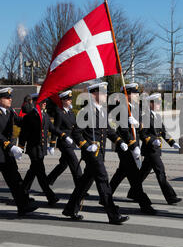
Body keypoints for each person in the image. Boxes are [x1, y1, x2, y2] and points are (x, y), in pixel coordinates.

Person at [63, 82, 129, 225]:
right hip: (92, 154)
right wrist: (86, 146)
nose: (106, 95)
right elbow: (76, 133)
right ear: (94, 94)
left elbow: (108, 131)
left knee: (85, 182)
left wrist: (119, 141)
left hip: (100, 153)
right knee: (103, 180)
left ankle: (70, 209)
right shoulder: (86, 111)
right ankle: (113, 215)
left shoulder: (102, 110)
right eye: (103, 92)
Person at [0, 88, 38, 217]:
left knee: (15, 181)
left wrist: (34, 116)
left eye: (10, 97)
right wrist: (10, 146)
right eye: (7, 97)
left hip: (7, 155)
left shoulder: (10, 111)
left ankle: (23, 206)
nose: (10, 99)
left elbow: (20, 122)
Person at [109, 83, 157, 215]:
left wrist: (137, 123)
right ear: (127, 94)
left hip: (133, 146)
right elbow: (123, 130)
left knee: (121, 173)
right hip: (125, 147)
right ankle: (145, 205)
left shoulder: (134, 108)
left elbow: (141, 125)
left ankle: (106, 197)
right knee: (135, 176)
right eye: (135, 93)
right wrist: (133, 145)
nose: (137, 96)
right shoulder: (121, 108)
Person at [19, 94, 64, 206]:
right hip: (33, 149)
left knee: (32, 172)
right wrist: (20, 147)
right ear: (35, 102)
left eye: (45, 101)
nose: (45, 103)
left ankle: (22, 193)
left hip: (41, 149)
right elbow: (23, 133)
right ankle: (50, 196)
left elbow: (52, 128)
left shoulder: (45, 115)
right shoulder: (29, 116)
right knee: (40, 172)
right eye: (42, 101)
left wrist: (63, 135)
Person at [138, 93, 183, 205]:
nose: (159, 104)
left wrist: (172, 143)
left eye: (159, 102)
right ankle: (170, 197)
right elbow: (142, 134)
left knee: (142, 173)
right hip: (150, 149)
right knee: (160, 171)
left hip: (156, 149)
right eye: (156, 102)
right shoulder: (146, 117)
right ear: (150, 104)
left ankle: (133, 191)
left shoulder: (157, 116)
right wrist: (152, 140)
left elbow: (163, 132)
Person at [47, 91, 83, 187]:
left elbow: (74, 127)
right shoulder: (59, 112)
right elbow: (55, 128)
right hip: (64, 143)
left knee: (63, 164)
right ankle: (80, 186)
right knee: (75, 164)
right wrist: (52, 144)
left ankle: (48, 180)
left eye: (70, 99)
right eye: (68, 99)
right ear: (62, 100)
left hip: (71, 142)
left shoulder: (71, 112)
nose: (70, 101)